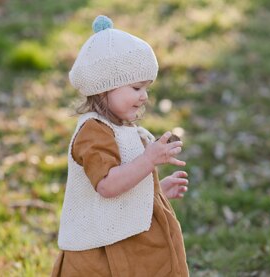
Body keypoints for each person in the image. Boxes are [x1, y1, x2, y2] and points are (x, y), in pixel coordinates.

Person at [51, 15, 189, 276]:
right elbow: (108, 184)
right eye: (137, 87)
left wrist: (154, 191)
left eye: (146, 88)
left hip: (127, 241)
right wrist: (148, 161)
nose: (144, 96)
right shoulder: (93, 132)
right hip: (102, 250)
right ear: (105, 88)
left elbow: (128, 177)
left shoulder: (124, 128)